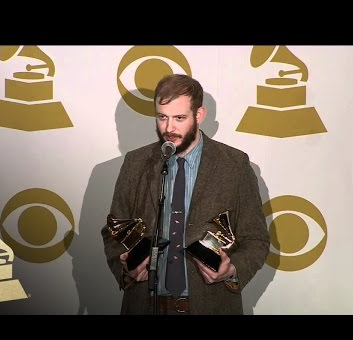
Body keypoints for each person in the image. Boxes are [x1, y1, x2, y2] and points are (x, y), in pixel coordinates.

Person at [102, 74, 270, 315]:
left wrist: (231, 269)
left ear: (199, 115)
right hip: (144, 305)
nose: (169, 128)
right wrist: (126, 266)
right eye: (162, 117)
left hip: (211, 307)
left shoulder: (234, 165)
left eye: (179, 118)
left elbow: (256, 239)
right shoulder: (135, 163)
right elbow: (114, 231)